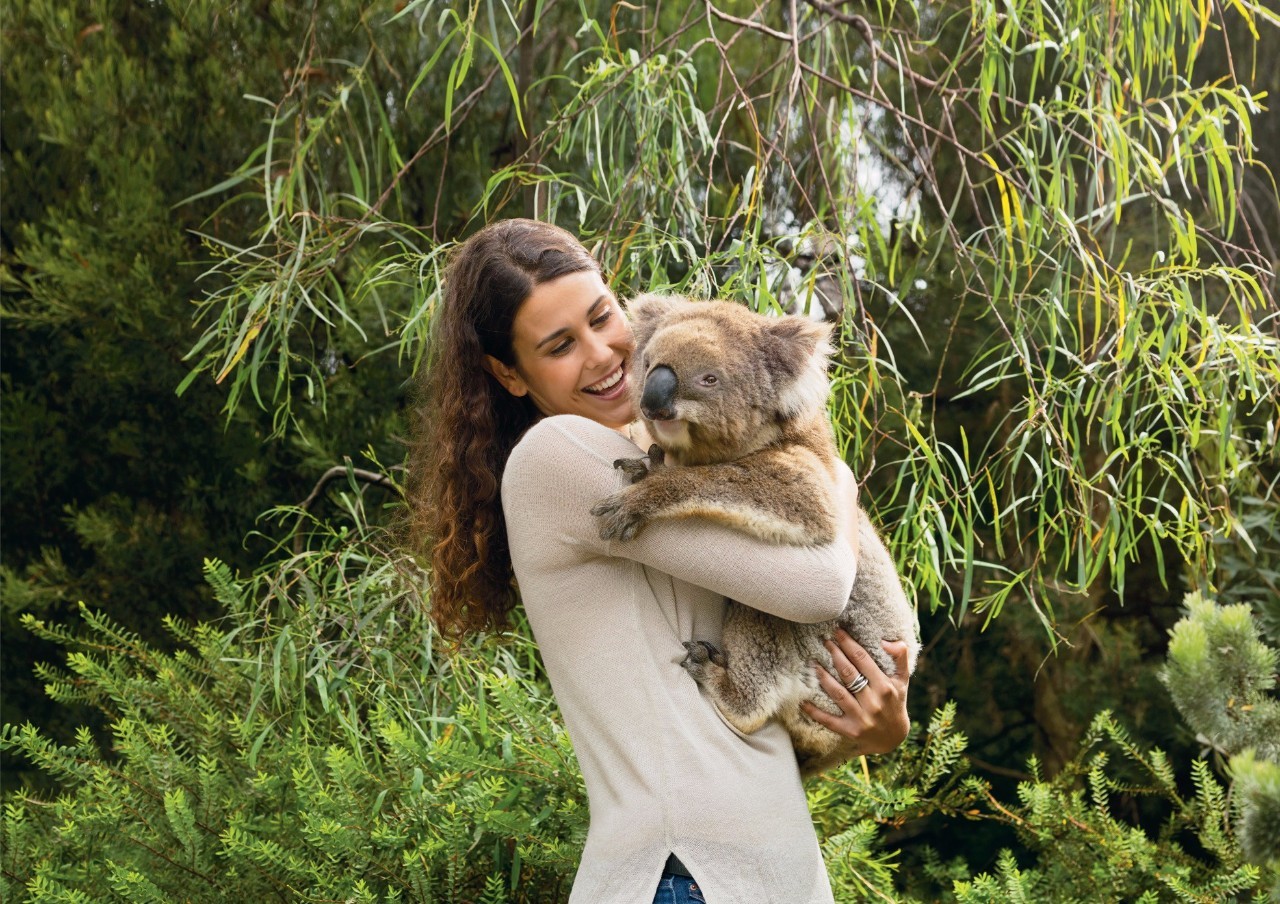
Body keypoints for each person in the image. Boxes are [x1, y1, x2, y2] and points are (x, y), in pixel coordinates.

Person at [408, 219, 911, 904]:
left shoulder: (668, 446)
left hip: (768, 871)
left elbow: (744, 722)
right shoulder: (558, 460)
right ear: (508, 374)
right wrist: (839, 484)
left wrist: (869, 731)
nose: (602, 354)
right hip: (683, 875)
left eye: (600, 316)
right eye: (559, 345)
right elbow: (820, 584)